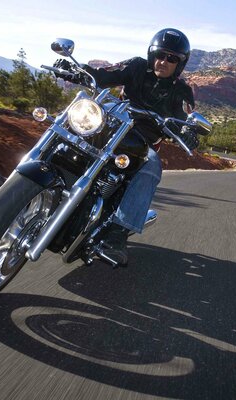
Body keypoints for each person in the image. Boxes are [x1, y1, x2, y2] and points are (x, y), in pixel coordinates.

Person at [54, 28, 199, 265]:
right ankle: (29, 184)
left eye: (172, 58)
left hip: (141, 142)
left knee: (152, 166)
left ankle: (117, 235)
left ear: (180, 64)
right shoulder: (136, 66)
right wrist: (75, 70)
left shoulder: (181, 91)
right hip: (111, 126)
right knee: (72, 124)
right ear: (152, 54)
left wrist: (188, 132)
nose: (164, 61)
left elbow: (184, 118)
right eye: (161, 55)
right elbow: (102, 76)